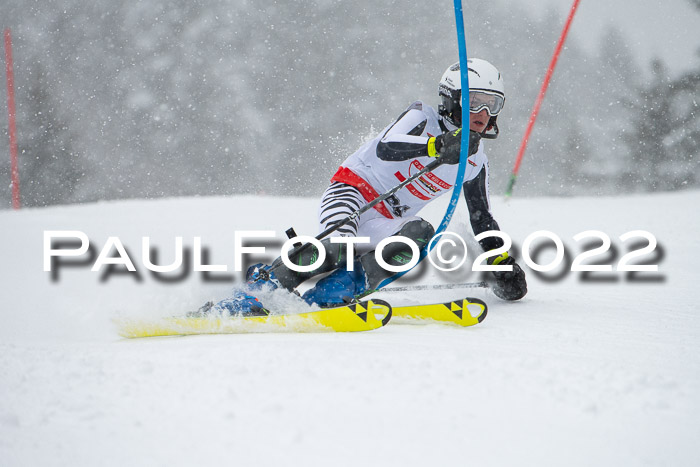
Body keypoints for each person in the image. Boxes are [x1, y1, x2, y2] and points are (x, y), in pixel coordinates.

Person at [216, 58, 527, 314]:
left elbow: (481, 218)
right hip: (353, 191)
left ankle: (334, 295)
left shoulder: (476, 162)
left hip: (385, 219)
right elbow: (387, 146)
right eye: (475, 102)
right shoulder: (422, 116)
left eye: (492, 104)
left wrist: (501, 263)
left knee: (420, 235)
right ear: (452, 98)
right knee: (339, 247)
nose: (484, 115)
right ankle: (264, 286)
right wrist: (436, 146)